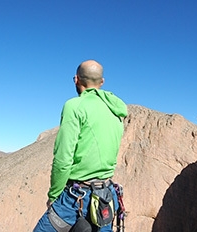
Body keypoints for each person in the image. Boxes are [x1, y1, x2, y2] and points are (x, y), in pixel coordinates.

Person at [33, 60, 128, 232]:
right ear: (102, 82)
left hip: (77, 198)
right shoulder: (116, 111)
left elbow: (63, 158)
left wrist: (54, 195)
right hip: (106, 197)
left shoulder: (74, 106)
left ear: (76, 79)